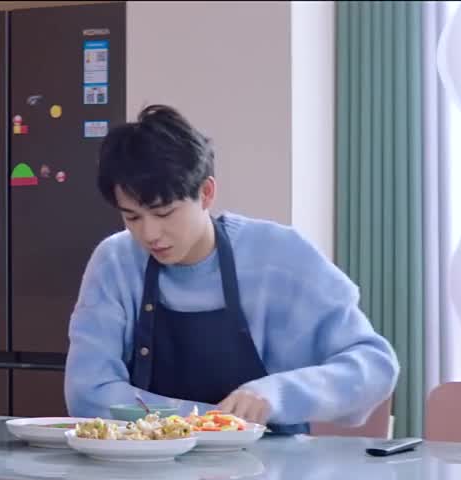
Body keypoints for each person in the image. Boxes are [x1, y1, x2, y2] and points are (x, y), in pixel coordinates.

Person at [64, 105, 399, 434]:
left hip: (270, 465)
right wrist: (211, 421)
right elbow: (88, 392)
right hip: (144, 464)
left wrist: (276, 394)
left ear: (206, 193)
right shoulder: (115, 263)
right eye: (132, 217)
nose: (149, 233)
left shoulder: (279, 257)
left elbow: (374, 366)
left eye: (164, 213)